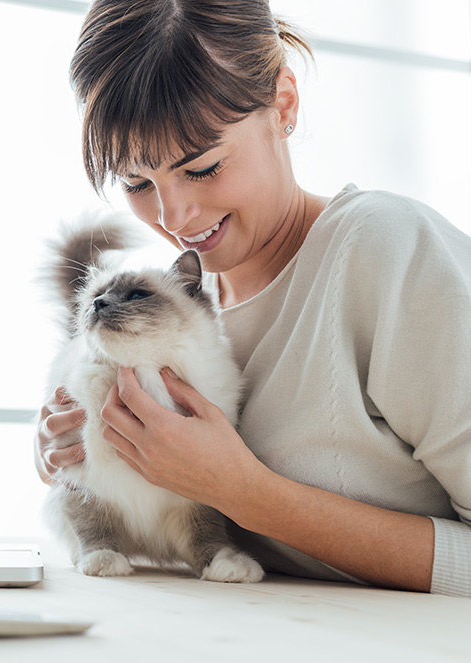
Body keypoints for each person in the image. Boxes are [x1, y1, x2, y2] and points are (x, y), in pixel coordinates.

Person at [34, 0, 471, 597]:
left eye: (204, 168)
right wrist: (73, 455)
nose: (173, 216)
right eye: (137, 184)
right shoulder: (184, 303)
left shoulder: (387, 251)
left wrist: (245, 493)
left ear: (283, 103)